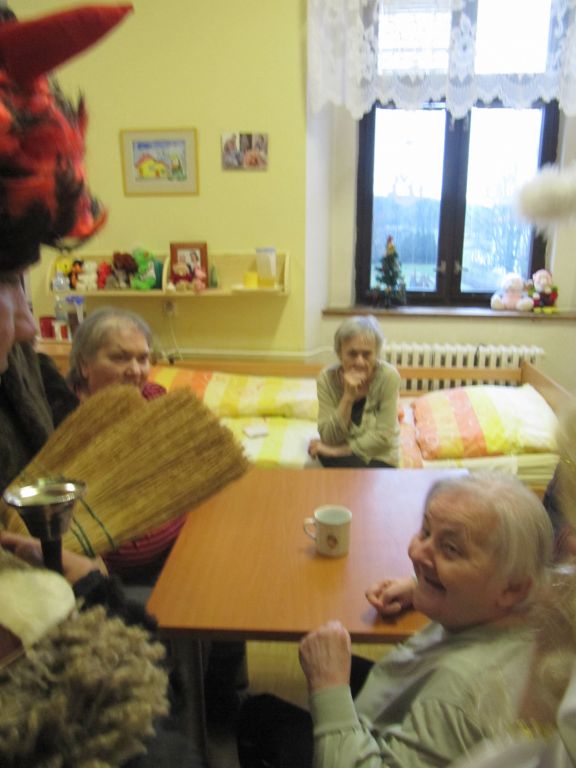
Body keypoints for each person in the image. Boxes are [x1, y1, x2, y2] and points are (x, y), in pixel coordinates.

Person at [0, 6, 205, 765]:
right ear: (86, 368)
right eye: (10, 285)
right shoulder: (55, 398)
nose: (31, 323)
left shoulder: (29, 382)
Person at [237, 472, 554, 768]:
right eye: (425, 532)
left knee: (258, 714)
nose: (416, 553)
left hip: (378, 745)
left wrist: (329, 686)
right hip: (410, 698)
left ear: (512, 589)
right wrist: (420, 588)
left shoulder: (458, 696)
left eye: (450, 549)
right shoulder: (536, 616)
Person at [308, 315, 400, 468]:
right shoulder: (327, 379)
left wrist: (338, 451)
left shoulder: (388, 377)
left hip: (380, 456)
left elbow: (384, 438)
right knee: (320, 451)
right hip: (343, 452)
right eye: (352, 354)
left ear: (376, 354)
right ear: (340, 354)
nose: (359, 362)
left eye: (367, 354)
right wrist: (348, 397)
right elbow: (328, 437)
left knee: (326, 452)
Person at [68, 306, 166, 402]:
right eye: (120, 358)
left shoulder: (154, 398)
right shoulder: (64, 406)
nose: (136, 371)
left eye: (142, 359)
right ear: (84, 364)